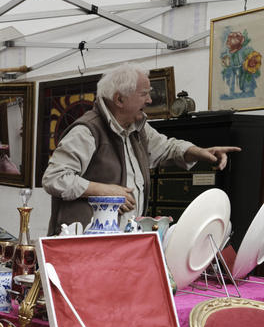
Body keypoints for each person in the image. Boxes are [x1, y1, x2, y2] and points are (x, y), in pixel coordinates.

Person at [42, 63, 241, 234]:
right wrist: (104, 190)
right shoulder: (87, 131)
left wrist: (198, 151)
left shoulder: (138, 128)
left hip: (121, 241)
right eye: (144, 94)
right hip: (84, 245)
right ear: (120, 99)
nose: (149, 100)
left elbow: (167, 147)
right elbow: (54, 178)